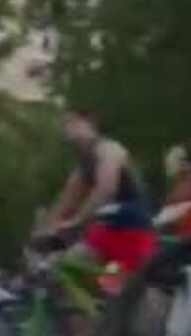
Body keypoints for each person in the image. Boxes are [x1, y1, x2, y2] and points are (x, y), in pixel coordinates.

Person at [36, 108, 158, 282]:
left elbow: (106, 189)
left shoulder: (110, 149)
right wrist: (44, 230)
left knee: (123, 289)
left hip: (133, 228)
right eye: (64, 124)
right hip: (106, 228)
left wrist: (77, 220)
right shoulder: (84, 162)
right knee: (66, 268)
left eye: (73, 122)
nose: (67, 128)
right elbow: (66, 200)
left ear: (91, 123)